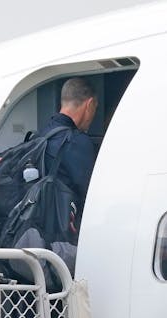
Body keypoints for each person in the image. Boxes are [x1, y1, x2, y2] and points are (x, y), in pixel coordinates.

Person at [37, 77, 98, 217]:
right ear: (89, 104)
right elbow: (90, 194)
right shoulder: (78, 141)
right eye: (95, 108)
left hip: (36, 225)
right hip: (61, 230)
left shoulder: (41, 135)